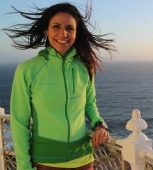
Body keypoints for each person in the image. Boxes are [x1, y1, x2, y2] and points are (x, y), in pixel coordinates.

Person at [3, 2, 116, 170]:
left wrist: (99, 125)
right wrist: (24, 167)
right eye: (56, 26)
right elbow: (20, 122)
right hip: (44, 162)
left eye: (70, 28)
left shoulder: (85, 66)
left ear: (76, 33)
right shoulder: (27, 70)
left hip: (83, 160)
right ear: (46, 30)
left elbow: (89, 103)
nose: (63, 33)